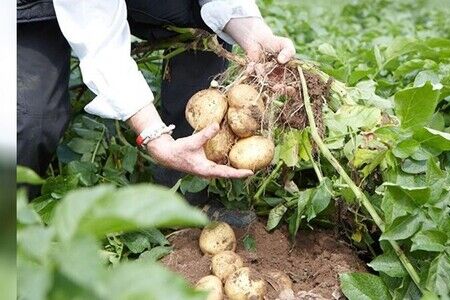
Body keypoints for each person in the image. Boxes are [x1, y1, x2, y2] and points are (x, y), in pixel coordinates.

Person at [17, 0, 295, 218]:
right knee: (30, 123)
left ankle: (183, 193)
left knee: (202, 16)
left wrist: (253, 33)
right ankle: (16, 230)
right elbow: (96, 30)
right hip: (27, 8)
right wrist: (153, 134)